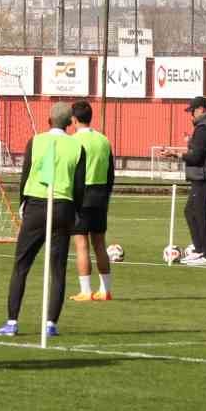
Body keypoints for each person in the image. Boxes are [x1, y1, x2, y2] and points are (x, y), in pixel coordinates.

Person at [0, 103, 88, 338]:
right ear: (70, 123)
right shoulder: (77, 147)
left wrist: (22, 204)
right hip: (63, 207)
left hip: (36, 206)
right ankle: (50, 324)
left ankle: (12, 321)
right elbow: (79, 186)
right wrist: (75, 211)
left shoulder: (35, 141)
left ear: (49, 120)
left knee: (21, 265)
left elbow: (26, 174)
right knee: (57, 269)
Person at [158, 96, 206, 266]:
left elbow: (197, 157)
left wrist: (175, 154)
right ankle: (199, 250)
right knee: (191, 211)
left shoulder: (204, 128)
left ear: (201, 109)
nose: (191, 116)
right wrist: (190, 142)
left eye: (192, 111)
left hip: (204, 175)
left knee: (199, 212)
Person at [67, 101, 116, 302]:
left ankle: (86, 290)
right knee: (99, 244)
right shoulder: (104, 140)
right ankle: (105, 290)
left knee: (81, 244)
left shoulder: (72, 141)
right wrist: (106, 194)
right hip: (100, 194)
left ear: (74, 120)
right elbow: (111, 172)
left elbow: (69, 171)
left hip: (81, 195)